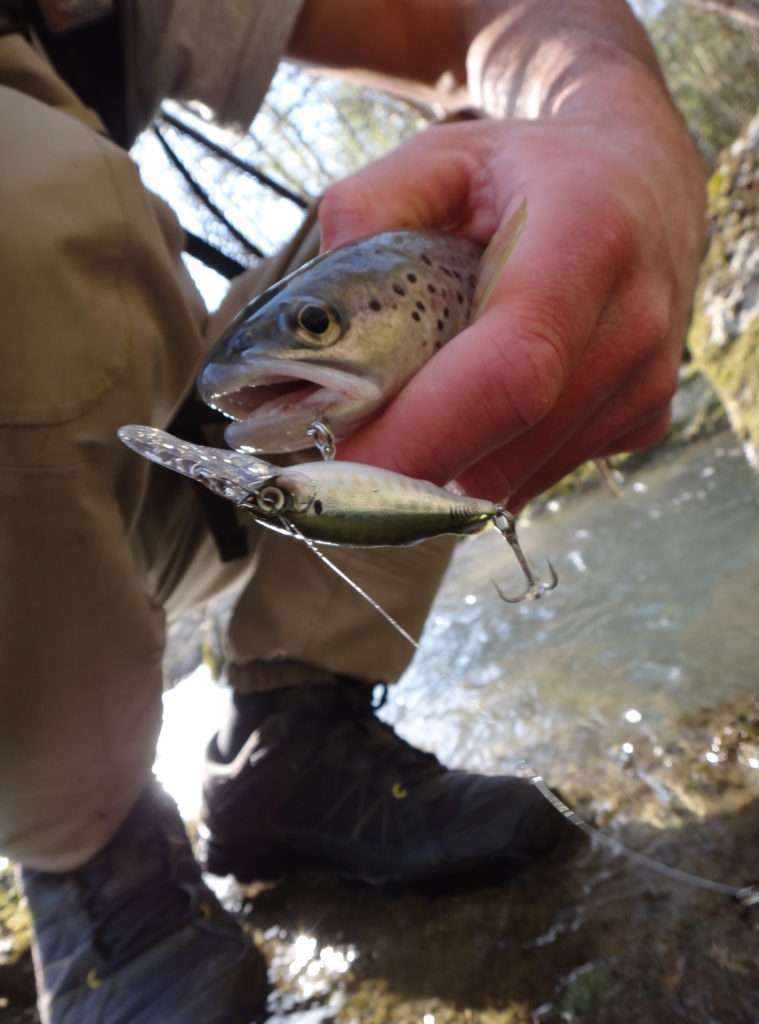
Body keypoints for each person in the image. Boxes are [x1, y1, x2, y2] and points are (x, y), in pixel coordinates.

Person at [0, 1, 706, 1021]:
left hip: (181, 443)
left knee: (478, 151)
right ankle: (93, 862)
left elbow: (486, 15)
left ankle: (293, 729)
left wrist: (611, 124)